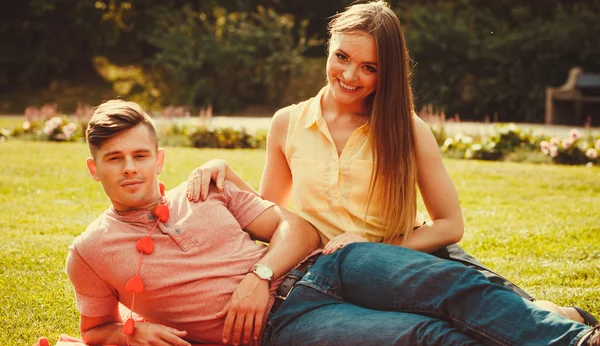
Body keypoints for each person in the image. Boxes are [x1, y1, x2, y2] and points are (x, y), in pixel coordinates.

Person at [67, 99, 599, 346]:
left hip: (330, 264)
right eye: (115, 159)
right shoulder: (90, 251)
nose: (130, 168)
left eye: (140, 155)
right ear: (95, 168)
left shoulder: (207, 187)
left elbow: (300, 232)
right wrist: (131, 330)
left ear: (160, 159)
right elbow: (96, 329)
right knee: (426, 337)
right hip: (285, 324)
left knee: (452, 284)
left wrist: (258, 276)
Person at [186, 0, 596, 326]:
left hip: (407, 260)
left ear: (388, 73)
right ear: (328, 47)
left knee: (526, 318)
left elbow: (450, 225)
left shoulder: (407, 129)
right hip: (328, 276)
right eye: (342, 57)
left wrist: (375, 246)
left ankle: (569, 320)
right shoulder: (287, 123)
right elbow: (272, 216)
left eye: (369, 68)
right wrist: (226, 170)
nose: (349, 75)